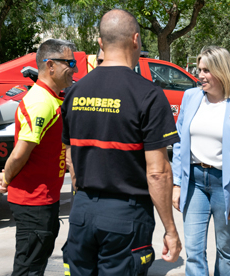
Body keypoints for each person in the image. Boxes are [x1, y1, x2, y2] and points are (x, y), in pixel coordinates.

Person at [60, 9, 182, 276]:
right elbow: (158, 172)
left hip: (82, 212)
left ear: (101, 43)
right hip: (125, 216)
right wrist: (170, 230)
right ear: (136, 39)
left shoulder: (74, 92)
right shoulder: (148, 95)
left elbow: (70, 159)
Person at [0, 38, 77, 276]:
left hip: (44, 200)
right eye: (69, 62)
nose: (74, 68)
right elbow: (20, 153)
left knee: (35, 265)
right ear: (50, 65)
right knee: (28, 269)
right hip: (34, 203)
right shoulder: (40, 101)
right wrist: (6, 178)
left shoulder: (51, 98)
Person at [172, 46, 230, 276]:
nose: (200, 75)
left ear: (221, 72)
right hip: (194, 182)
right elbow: (180, 142)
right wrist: (177, 183)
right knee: (193, 251)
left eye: (206, 70)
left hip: (225, 185)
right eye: (199, 69)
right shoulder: (191, 97)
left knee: (226, 249)